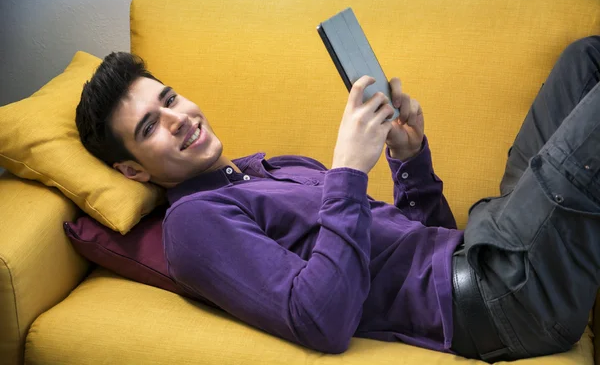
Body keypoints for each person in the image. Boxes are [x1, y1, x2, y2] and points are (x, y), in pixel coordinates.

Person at [75, 36, 600, 362]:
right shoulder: (193, 223)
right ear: (132, 169)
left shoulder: (275, 168)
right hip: (501, 300)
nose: (178, 119)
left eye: (169, 99)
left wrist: (409, 158)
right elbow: (320, 320)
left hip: (484, 245)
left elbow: (428, 241)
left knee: (586, 58)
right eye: (151, 127)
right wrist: (349, 169)